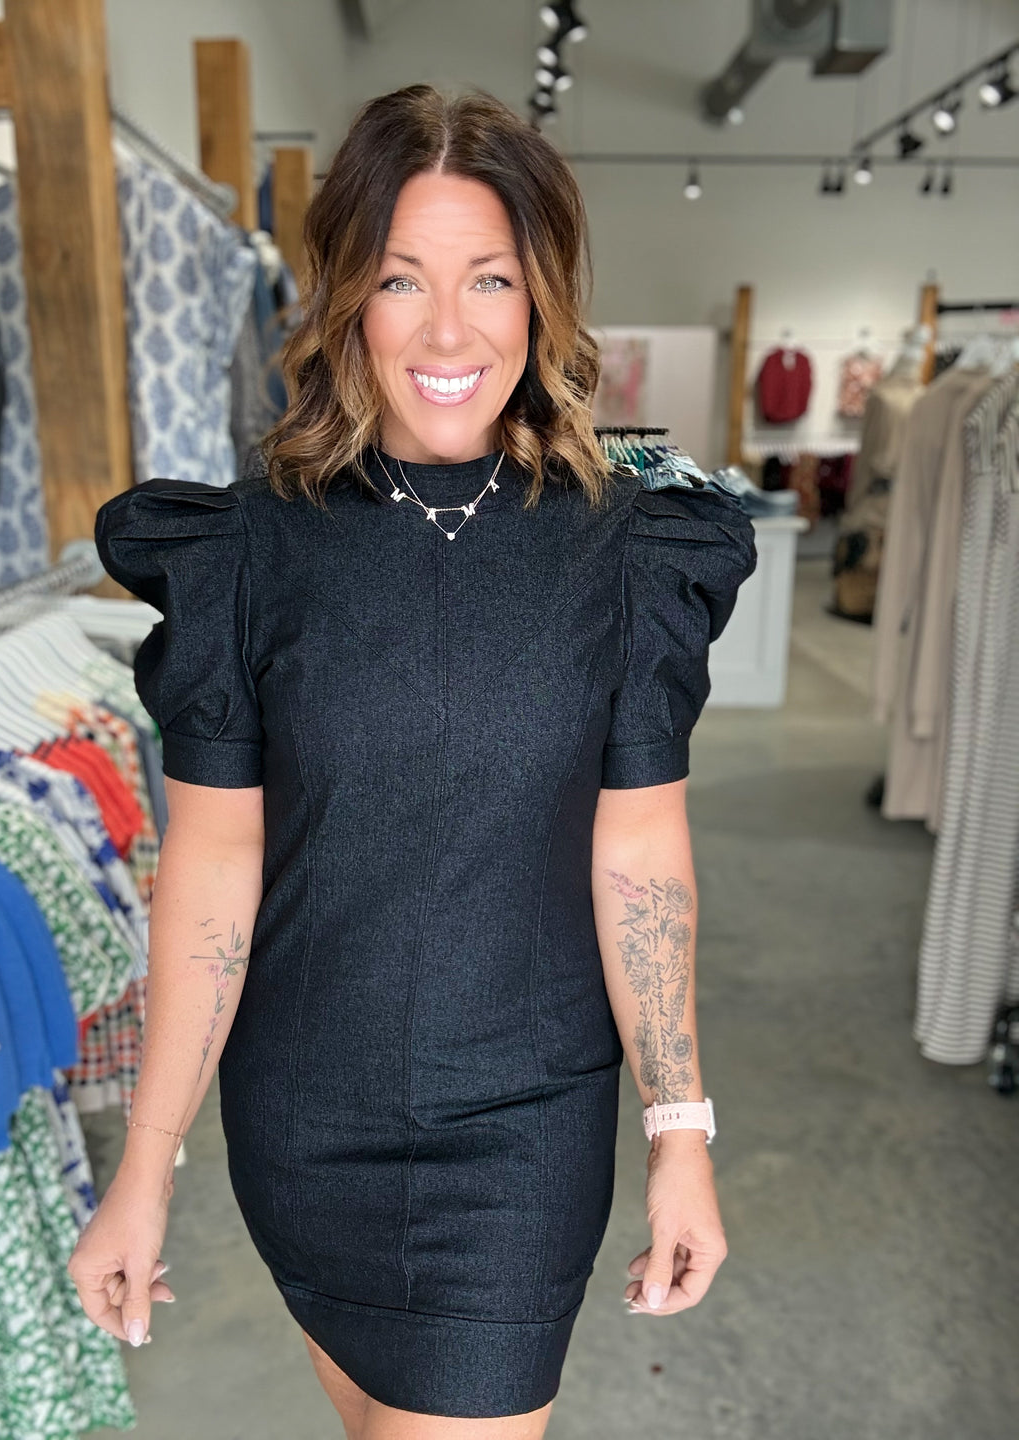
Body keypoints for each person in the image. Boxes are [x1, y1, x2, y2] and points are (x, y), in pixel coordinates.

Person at [73, 83, 757, 1440]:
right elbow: (214, 869)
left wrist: (680, 1130)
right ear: (346, 300)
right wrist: (145, 1168)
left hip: (525, 1127)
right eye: (402, 280)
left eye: (489, 277)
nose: (450, 330)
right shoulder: (246, 552)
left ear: (541, 296)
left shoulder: (628, 551)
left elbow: (639, 854)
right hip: (304, 1118)